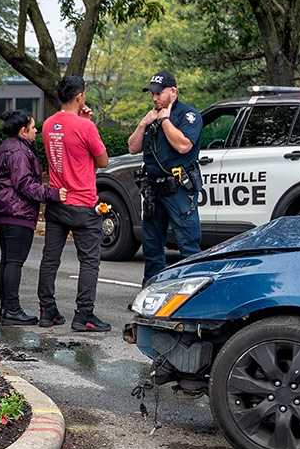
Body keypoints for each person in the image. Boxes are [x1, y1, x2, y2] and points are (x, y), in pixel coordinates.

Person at [36, 76, 111, 332]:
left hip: (57, 200)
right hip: (82, 202)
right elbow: (102, 161)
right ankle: (84, 314)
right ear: (80, 96)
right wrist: (87, 124)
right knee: (89, 260)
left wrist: (83, 120)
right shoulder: (85, 127)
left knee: (50, 258)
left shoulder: (48, 125)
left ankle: (47, 310)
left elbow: (66, 148)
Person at [0, 109, 66, 324]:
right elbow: (25, 184)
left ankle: (6, 309)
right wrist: (53, 194)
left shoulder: (7, 147)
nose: (36, 130)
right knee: (14, 262)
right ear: (23, 130)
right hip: (16, 213)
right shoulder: (20, 151)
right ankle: (12, 309)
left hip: (3, 212)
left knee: (7, 261)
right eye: (33, 127)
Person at [128, 70, 204, 283]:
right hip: (153, 190)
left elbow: (183, 145)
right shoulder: (152, 116)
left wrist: (164, 121)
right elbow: (133, 147)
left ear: (173, 91)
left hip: (178, 190)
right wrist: (144, 124)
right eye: (152, 94)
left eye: (159, 93)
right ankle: (151, 293)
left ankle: (191, 295)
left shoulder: (188, 115)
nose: (154, 98)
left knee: (188, 245)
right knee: (151, 245)